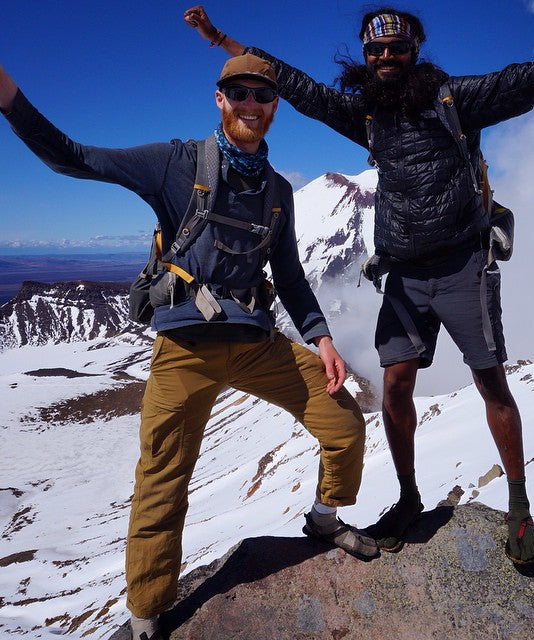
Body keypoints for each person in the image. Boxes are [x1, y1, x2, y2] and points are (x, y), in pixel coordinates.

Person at [184, 5, 534, 562]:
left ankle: (519, 510)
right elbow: (296, 85)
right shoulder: (368, 115)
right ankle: (408, 498)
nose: (383, 58)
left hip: (461, 269)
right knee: (396, 385)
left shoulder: (455, 99)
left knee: (491, 384)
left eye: (395, 49)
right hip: (402, 274)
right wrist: (222, 40)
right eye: (374, 50)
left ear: (413, 51)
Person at [0, 52, 379, 640]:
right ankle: (147, 614)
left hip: (256, 341)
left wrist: (321, 338)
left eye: (263, 95)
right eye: (240, 93)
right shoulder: (176, 164)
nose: (252, 104)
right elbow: (71, 158)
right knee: (163, 478)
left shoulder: (279, 191)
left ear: (275, 106)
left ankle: (325, 519)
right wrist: (9, 99)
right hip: (184, 348)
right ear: (220, 99)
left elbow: (292, 277)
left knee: (344, 424)